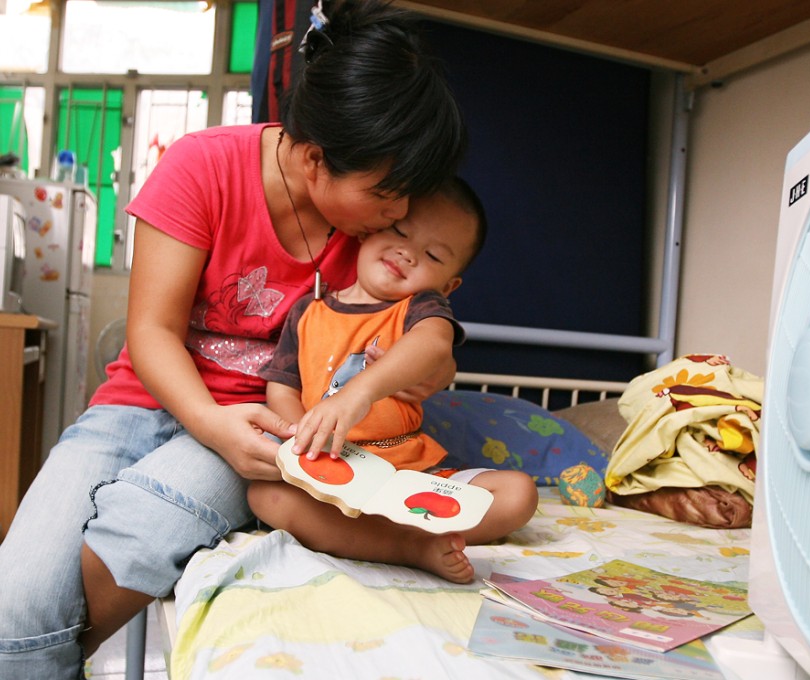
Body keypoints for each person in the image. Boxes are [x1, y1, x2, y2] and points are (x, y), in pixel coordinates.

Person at [0, 1, 466, 677]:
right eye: (388, 193)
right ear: (312, 159)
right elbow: (151, 331)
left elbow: (429, 341)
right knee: (17, 592)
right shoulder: (202, 167)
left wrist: (413, 372)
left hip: (262, 427)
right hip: (138, 403)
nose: (401, 216)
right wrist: (211, 425)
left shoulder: (383, 247)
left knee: (142, 530)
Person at [249, 178, 538, 584]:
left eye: (433, 255)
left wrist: (359, 393)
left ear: (448, 285)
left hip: (414, 478)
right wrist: (302, 440)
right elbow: (282, 387)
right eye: (400, 232)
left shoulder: (421, 307)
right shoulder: (307, 313)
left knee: (519, 493)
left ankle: (390, 535)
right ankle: (407, 545)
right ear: (368, 231)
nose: (407, 252)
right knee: (267, 497)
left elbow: (435, 345)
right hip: (335, 477)